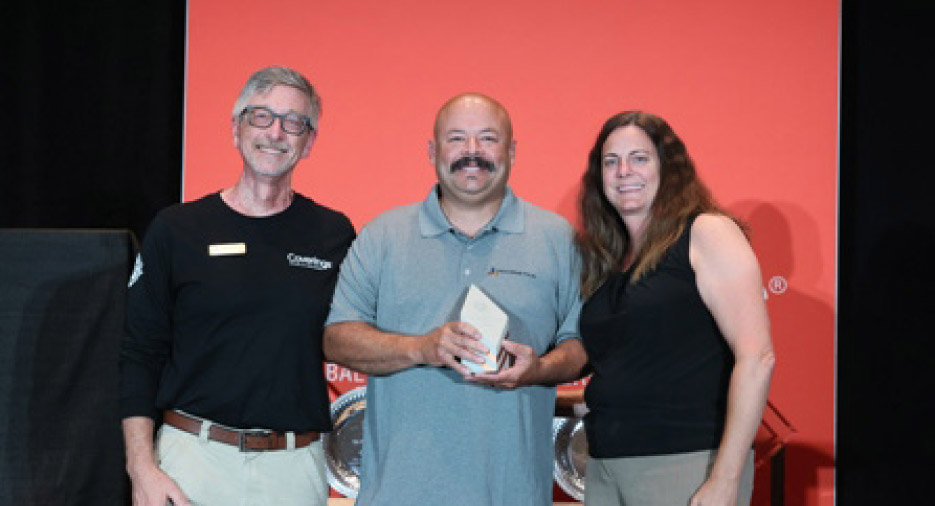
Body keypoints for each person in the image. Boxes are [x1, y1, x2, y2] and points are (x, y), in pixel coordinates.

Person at [323, 93, 587, 506]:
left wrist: (538, 369)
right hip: (397, 495)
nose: (472, 152)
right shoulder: (383, 236)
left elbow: (581, 345)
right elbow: (337, 338)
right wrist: (420, 348)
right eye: (457, 139)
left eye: (487, 139)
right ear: (432, 151)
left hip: (513, 494)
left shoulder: (559, 240)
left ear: (512, 151)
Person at [119, 66, 355, 506]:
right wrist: (141, 466)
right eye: (261, 116)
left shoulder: (333, 234)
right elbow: (139, 352)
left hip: (293, 467)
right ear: (236, 128)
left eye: (294, 122)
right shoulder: (177, 229)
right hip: (192, 461)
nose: (276, 132)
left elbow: (358, 336)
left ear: (309, 141)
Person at [574, 111, 775, 506]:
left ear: (669, 168)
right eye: (610, 162)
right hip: (604, 469)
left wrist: (725, 477)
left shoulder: (707, 233)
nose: (623, 171)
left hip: (686, 465)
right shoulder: (608, 260)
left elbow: (757, 357)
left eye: (639, 158)